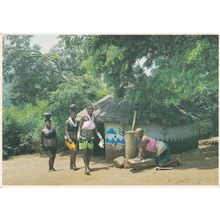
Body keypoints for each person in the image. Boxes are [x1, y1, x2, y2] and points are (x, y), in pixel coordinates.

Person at [77, 104, 104, 175]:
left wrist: (100, 137)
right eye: (89, 109)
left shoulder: (94, 118)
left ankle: (88, 166)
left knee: (89, 154)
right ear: (86, 109)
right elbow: (79, 128)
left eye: (92, 109)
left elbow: (96, 130)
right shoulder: (83, 117)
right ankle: (86, 168)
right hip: (83, 137)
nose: (91, 110)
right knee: (84, 153)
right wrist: (78, 136)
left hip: (91, 138)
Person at [65, 104, 78, 170]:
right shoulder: (68, 122)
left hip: (75, 138)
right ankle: (74, 165)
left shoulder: (76, 122)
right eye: (73, 114)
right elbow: (66, 130)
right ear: (71, 114)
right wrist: (69, 138)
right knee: (73, 151)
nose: (74, 115)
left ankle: (71, 165)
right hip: (69, 139)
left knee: (73, 152)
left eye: (75, 114)